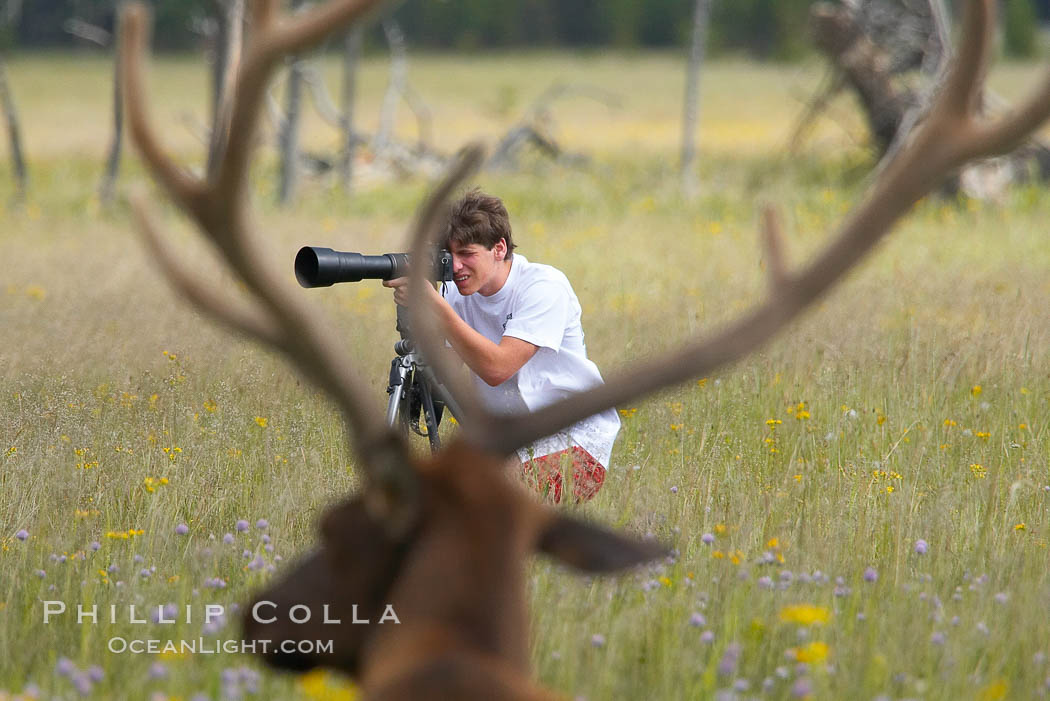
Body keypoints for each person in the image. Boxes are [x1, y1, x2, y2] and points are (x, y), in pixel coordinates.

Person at [383, 189, 620, 503]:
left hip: (571, 442)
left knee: (474, 498)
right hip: (506, 444)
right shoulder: (454, 293)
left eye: (466, 253)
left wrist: (438, 310)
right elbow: (444, 376)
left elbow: (498, 367)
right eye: (447, 254)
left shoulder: (543, 287)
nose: (455, 267)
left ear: (499, 248)